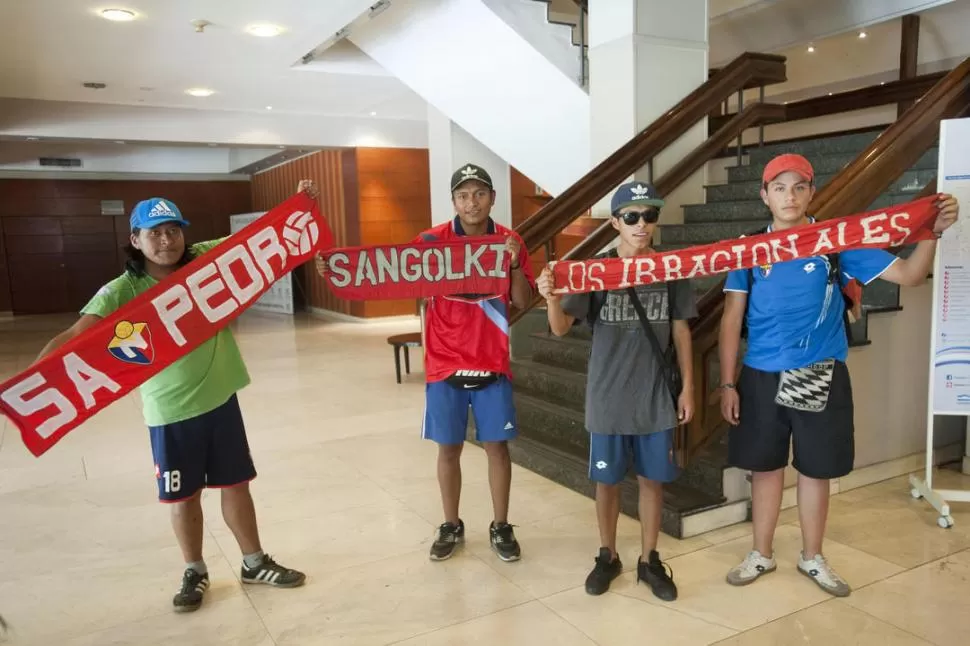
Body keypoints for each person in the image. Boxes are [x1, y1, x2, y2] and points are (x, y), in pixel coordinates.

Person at [33, 183, 318, 613]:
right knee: (182, 497)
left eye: (173, 230)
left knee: (236, 484)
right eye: (154, 233)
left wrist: (300, 202)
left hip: (221, 399)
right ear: (135, 240)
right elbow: (75, 337)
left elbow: (264, 236)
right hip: (170, 411)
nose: (166, 241)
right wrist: (28, 387)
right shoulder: (121, 290)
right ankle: (195, 570)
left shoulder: (204, 258)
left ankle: (254, 562)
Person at [718, 153, 960, 597]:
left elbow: (908, 274)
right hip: (760, 375)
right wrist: (728, 382)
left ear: (812, 192)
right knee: (765, 469)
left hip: (820, 374)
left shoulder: (836, 240)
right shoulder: (748, 248)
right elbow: (733, 318)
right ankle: (761, 553)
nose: (788, 196)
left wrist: (932, 233)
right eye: (779, 187)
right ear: (764, 195)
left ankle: (812, 557)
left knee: (816, 469)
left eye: (798, 187)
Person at [316, 163, 534, 562]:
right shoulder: (431, 240)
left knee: (496, 448)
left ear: (492, 198)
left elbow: (522, 301)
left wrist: (516, 263)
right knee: (447, 449)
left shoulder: (508, 241)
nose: (472, 202)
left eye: (479, 193)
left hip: (492, 360)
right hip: (444, 362)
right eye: (464, 195)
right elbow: (389, 275)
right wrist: (340, 270)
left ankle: (501, 525)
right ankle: (451, 523)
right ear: (453, 200)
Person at [537, 181, 696, 601]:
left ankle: (649, 558)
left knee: (652, 481)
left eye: (650, 216)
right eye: (631, 216)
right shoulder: (595, 270)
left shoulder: (670, 269)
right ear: (615, 222)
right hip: (607, 396)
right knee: (606, 482)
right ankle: (607, 554)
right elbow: (559, 328)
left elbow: (681, 330)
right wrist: (551, 297)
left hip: (654, 395)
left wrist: (689, 389)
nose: (642, 225)